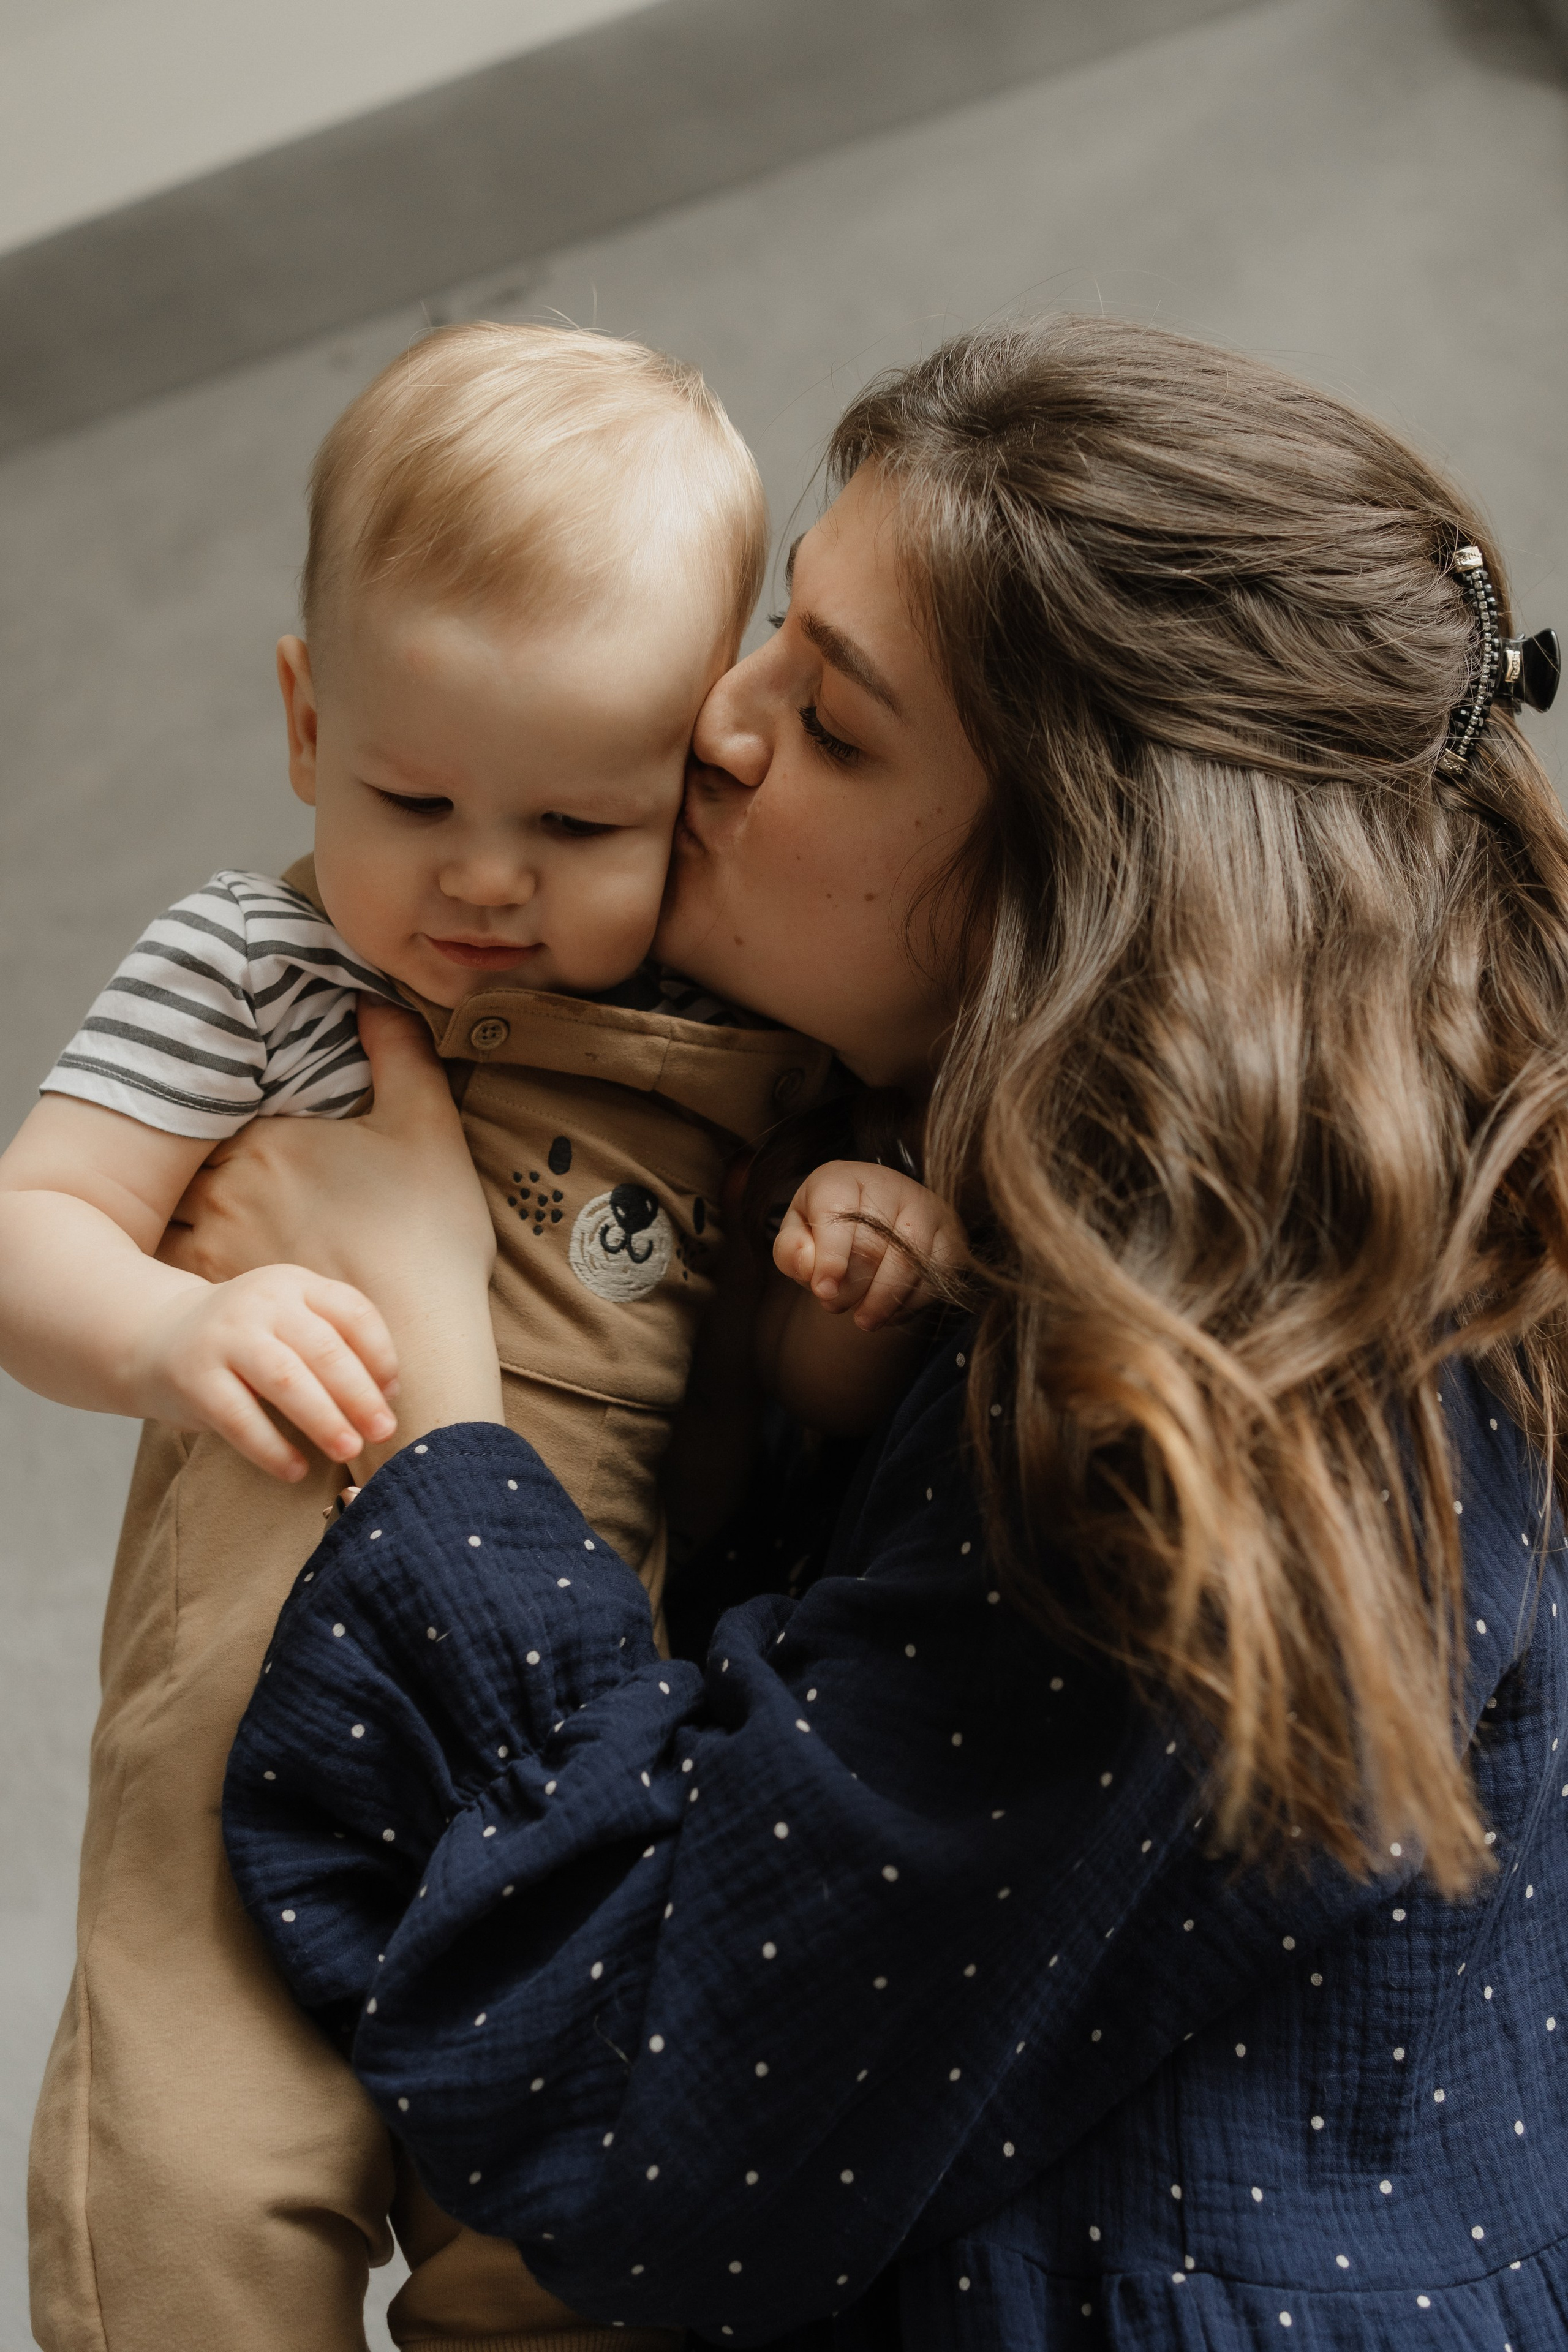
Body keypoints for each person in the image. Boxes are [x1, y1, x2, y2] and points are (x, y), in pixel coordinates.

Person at [170, 317, 1568, 2340]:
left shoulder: (1171, 1440)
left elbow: (661, 2119)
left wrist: (436, 1391)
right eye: (767, 632)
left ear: (1084, 897)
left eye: (830, 726)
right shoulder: (1276, 1200)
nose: (712, 727)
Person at [6, 322, 952, 2352]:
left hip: (578, 1705)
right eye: (411, 793)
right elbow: (27, 1233)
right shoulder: (258, 969)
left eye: (585, 829)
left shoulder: (749, 1049)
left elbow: (771, 1440)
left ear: (694, 779)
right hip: (261, 1655)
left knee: (563, 2227)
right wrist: (183, 1323)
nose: (484, 886)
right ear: (301, 716)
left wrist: (844, 1289)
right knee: (199, 2154)